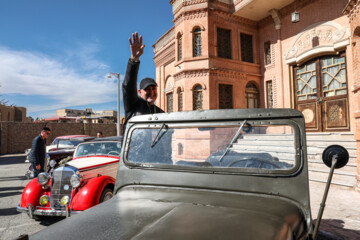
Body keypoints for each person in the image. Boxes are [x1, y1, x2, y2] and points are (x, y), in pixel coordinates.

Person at [122, 32, 164, 127]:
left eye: (153, 89)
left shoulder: (161, 113)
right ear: (140, 92)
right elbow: (128, 87)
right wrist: (134, 60)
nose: (151, 92)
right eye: (147, 89)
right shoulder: (133, 106)